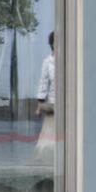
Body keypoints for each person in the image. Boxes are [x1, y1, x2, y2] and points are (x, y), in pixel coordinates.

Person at [35, 32, 56, 161]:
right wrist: (40, 103)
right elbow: (43, 83)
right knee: (48, 142)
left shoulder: (71, 59)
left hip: (68, 104)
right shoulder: (48, 62)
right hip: (53, 105)